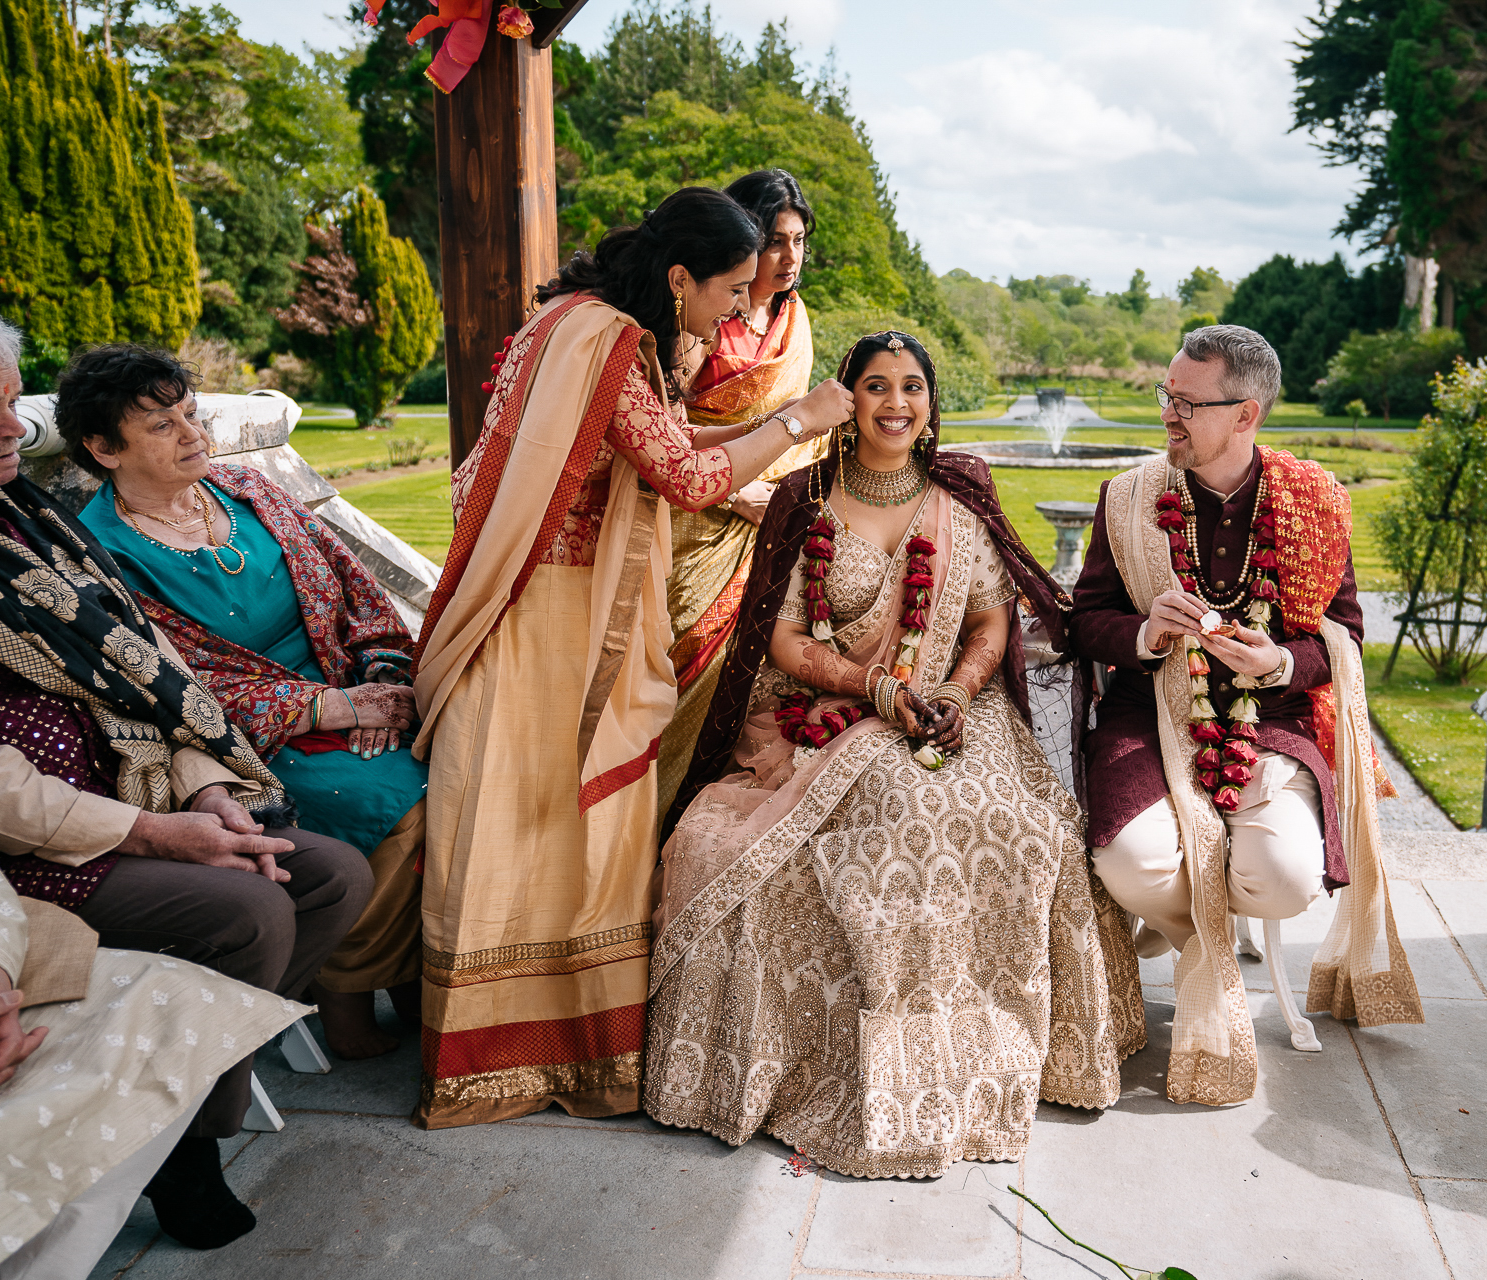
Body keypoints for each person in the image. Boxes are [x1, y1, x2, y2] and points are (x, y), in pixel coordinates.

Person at [0, 293, 371, 1245]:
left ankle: (178, 1098)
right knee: (247, 911)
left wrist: (203, 785)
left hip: (149, 792)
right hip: (35, 844)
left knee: (331, 876)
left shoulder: (27, 513)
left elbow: (159, 673)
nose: (12, 427)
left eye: (10, 402)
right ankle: (187, 1154)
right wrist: (160, 832)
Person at [643, 331, 1144, 1179]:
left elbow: (990, 622)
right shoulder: (810, 498)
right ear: (848, 401)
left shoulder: (957, 498)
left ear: (931, 402)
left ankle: (993, 1049)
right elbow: (786, 637)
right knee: (889, 816)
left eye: (913, 386)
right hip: (828, 710)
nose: (897, 403)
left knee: (1030, 832)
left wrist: (952, 691)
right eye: (876, 386)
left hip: (954, 708)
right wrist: (874, 689)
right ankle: (874, 1064)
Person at [411, 187, 854, 1129]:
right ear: (678, 278)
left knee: (529, 819)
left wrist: (756, 438)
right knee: (570, 819)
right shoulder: (611, 343)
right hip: (557, 620)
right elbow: (684, 477)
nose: (738, 312)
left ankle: (514, 1047)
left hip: (529, 605)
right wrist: (799, 422)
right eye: (730, 291)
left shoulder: (566, 323)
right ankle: (553, 1051)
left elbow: (660, 438)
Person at [1069, 324, 1421, 1107]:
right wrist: (1144, 633)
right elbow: (1081, 620)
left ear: (1246, 414)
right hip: (1149, 713)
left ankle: (1193, 934)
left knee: (1287, 878)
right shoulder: (1129, 497)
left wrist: (1282, 662)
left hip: (1272, 721)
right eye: (1167, 395)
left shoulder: (1313, 503)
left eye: (1188, 403)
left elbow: (1345, 636)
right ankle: (1210, 957)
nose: (1170, 414)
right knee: (1131, 865)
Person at [56, 343, 429, 1061]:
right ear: (104, 448)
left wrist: (382, 681)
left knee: (463, 768)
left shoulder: (250, 493)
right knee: (402, 799)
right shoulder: (99, 554)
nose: (194, 434)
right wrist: (334, 711)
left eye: (191, 415)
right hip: (231, 747)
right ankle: (346, 991)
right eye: (162, 426)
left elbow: (358, 593)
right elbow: (167, 683)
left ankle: (421, 981)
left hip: (353, 695)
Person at [0, 750, 302, 1278]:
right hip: (50, 837)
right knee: (252, 912)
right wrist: (151, 830)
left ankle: (188, 1142)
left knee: (179, 999)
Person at [657, 169, 822, 821]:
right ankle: (650, 823)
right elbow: (668, 437)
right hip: (692, 519)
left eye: (800, 241)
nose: (789, 258)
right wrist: (738, 494)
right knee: (678, 678)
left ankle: (716, 821)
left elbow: (799, 435)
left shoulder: (793, 321)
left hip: (772, 521)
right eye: (776, 241)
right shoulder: (701, 315)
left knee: (758, 681)